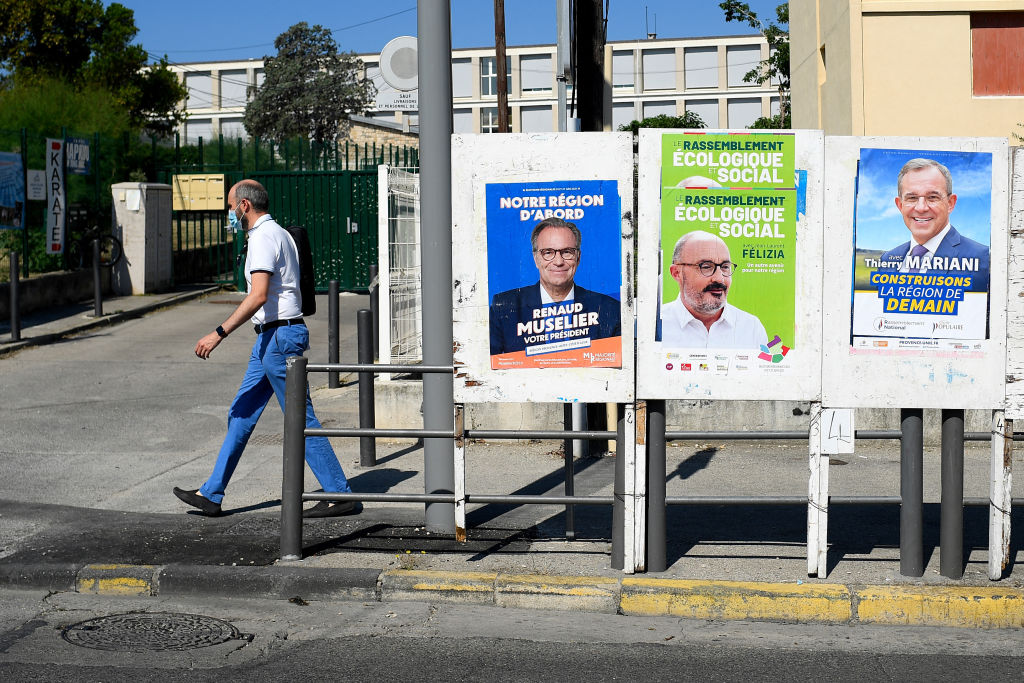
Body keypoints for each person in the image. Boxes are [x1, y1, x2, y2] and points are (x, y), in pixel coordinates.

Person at [173, 179, 358, 518]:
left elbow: (257, 295)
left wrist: (219, 333)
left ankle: (339, 493)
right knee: (241, 412)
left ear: (244, 206)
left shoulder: (262, 238)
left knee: (301, 418)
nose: (230, 214)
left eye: (231, 207)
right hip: (271, 338)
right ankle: (212, 493)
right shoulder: (280, 234)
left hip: (279, 339)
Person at [489, 217, 620, 355]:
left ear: (578, 257)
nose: (558, 261)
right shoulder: (503, 308)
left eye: (567, 252)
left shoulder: (610, 310)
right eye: (548, 253)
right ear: (536, 259)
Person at [878, 158, 989, 291]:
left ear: (950, 203)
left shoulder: (983, 259)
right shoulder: (887, 260)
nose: (921, 208)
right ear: (900, 205)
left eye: (932, 197)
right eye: (912, 198)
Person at [659, 230, 768, 348]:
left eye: (725, 267)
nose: (719, 278)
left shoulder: (751, 328)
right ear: (677, 273)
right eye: (706, 267)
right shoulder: (655, 327)